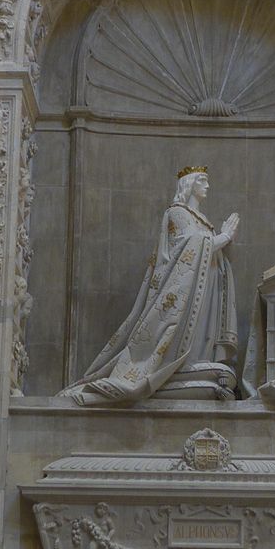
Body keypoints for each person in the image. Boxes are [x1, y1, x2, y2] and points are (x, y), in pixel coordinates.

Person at [60, 166, 240, 404]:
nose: (207, 186)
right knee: (181, 333)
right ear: (188, 184)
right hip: (183, 290)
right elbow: (188, 248)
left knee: (203, 332)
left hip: (205, 285)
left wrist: (223, 241)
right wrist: (224, 237)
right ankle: (176, 366)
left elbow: (209, 250)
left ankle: (195, 362)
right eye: (202, 181)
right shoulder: (178, 213)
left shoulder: (203, 220)